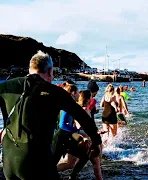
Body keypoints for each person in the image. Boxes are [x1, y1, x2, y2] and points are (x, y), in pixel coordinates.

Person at [0, 50, 101, 180]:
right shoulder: (55, 93)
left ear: (30, 69)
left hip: (9, 160)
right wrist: (96, 141)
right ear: (50, 71)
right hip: (37, 160)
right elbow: (83, 117)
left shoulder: (6, 86)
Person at [68, 90, 103, 180]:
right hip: (85, 139)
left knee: (72, 163)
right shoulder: (83, 110)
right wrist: (89, 136)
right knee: (95, 163)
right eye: (91, 97)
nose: (92, 98)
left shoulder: (84, 109)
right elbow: (80, 126)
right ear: (88, 99)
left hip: (85, 138)